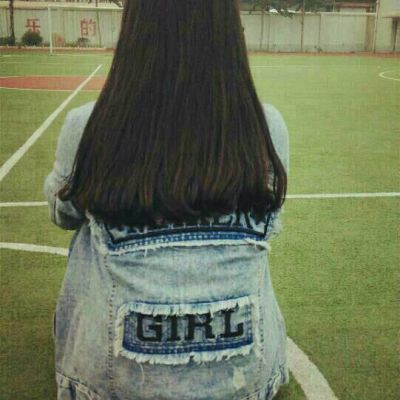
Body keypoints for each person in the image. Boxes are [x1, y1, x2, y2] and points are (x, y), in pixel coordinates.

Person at [44, 1, 290, 399]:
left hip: (113, 384)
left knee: (87, 232)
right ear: (229, 35)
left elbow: (63, 214)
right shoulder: (267, 127)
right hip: (246, 379)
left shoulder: (88, 126)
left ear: (134, 35)